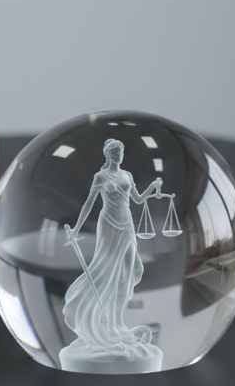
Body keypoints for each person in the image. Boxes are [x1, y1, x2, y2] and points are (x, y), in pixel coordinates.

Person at [58, 138, 164, 373]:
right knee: (109, 272)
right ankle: (108, 325)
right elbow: (88, 204)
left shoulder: (127, 175)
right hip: (108, 224)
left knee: (132, 271)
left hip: (127, 224)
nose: (118, 156)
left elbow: (138, 199)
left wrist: (153, 187)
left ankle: (116, 322)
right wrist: (76, 229)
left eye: (120, 153)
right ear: (108, 154)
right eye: (114, 153)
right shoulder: (101, 176)